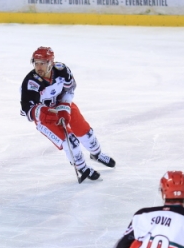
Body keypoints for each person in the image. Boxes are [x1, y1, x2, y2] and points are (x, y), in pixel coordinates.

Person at [19, 47, 115, 183]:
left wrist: (64, 108)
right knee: (71, 142)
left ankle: (97, 154)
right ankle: (82, 167)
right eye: (36, 63)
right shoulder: (30, 82)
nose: (38, 67)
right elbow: (27, 110)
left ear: (51, 63)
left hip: (62, 105)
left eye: (42, 63)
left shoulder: (62, 70)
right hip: (45, 116)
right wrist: (46, 114)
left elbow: (69, 90)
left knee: (85, 131)